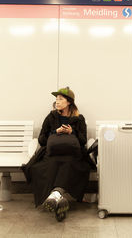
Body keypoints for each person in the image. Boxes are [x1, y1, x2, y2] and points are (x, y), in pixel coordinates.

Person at [22, 86, 90, 222]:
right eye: (56, 99)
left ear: (69, 102)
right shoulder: (51, 117)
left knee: (69, 163)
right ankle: (58, 197)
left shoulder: (79, 119)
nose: (57, 102)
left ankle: (55, 196)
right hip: (52, 153)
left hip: (73, 153)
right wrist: (55, 132)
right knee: (49, 165)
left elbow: (83, 141)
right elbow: (41, 139)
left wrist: (73, 132)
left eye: (60, 99)